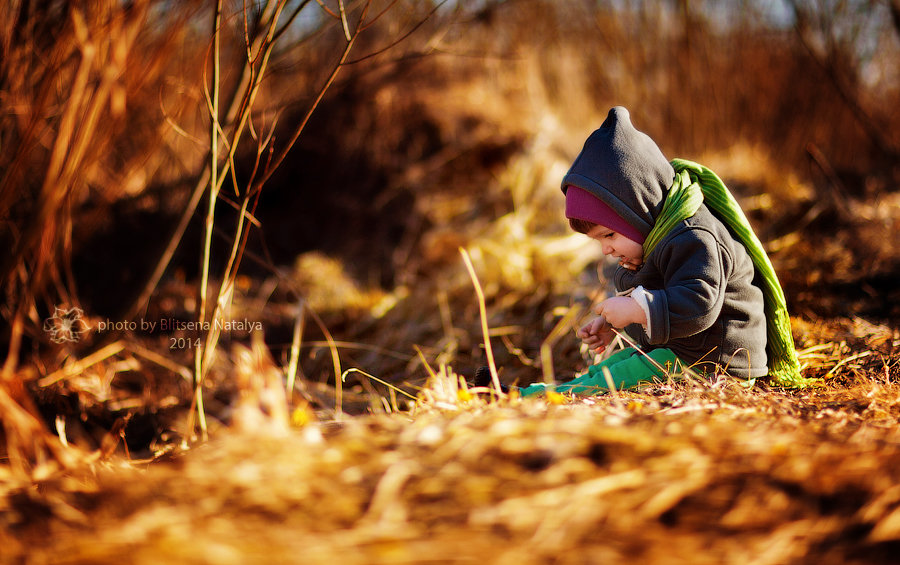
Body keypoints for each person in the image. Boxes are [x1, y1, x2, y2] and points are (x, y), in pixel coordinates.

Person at [519, 106, 801, 396]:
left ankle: (539, 399)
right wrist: (615, 323)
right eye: (598, 240)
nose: (606, 249)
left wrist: (636, 309)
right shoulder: (653, 237)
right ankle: (542, 392)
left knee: (617, 379)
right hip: (687, 352)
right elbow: (660, 297)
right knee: (613, 366)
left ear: (638, 208)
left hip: (717, 363)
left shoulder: (694, 237)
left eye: (610, 234)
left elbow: (699, 302)